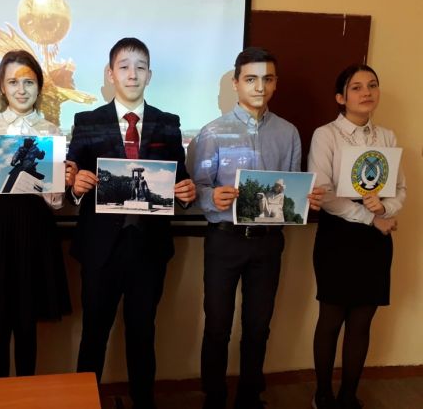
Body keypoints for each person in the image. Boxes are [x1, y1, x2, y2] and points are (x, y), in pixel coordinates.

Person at [67, 37, 196, 409]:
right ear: (110, 74)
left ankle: (143, 402)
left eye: (140, 67)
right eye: (124, 66)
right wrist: (75, 186)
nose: (132, 74)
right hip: (100, 249)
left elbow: (180, 179)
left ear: (149, 75)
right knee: (94, 335)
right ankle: (85, 403)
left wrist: (186, 192)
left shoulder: (168, 124)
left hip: (148, 249)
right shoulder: (87, 121)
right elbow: (73, 176)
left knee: (143, 334)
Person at [192, 47, 323, 409]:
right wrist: (211, 197)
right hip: (224, 240)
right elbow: (196, 188)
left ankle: (250, 396)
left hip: (268, 242)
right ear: (236, 83)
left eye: (267, 79)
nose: (259, 87)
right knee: (217, 326)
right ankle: (214, 397)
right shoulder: (212, 133)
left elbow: (292, 186)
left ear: (276, 83)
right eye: (251, 79)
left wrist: (305, 199)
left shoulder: (288, 133)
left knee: (258, 326)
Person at [0, 50, 75, 378]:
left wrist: (62, 182)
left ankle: (26, 393)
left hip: (34, 231)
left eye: (28, 82)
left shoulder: (51, 130)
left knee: (26, 324)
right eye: (13, 82)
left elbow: (54, 202)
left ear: (39, 87)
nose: (21, 89)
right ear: (2, 87)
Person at [307, 65, 405, 409]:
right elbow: (323, 193)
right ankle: (323, 394)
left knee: (362, 322)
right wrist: (370, 217)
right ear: (341, 97)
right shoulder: (326, 135)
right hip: (338, 236)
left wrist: (386, 207)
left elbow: (400, 188)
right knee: (331, 319)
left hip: (376, 241)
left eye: (372, 85)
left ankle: (349, 395)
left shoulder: (387, 137)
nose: (367, 92)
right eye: (357, 87)